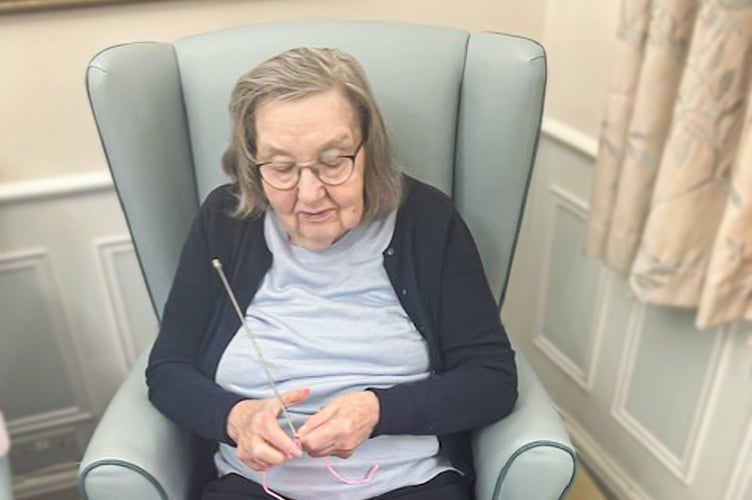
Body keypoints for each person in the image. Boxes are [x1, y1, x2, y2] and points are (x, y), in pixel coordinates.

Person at [146, 47, 518, 500]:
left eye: (334, 161)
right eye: (281, 168)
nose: (310, 193)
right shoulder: (224, 223)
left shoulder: (427, 220)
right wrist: (233, 417)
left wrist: (377, 410)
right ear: (253, 164)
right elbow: (168, 370)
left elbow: (492, 379)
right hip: (253, 488)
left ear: (369, 151)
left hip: (406, 485)